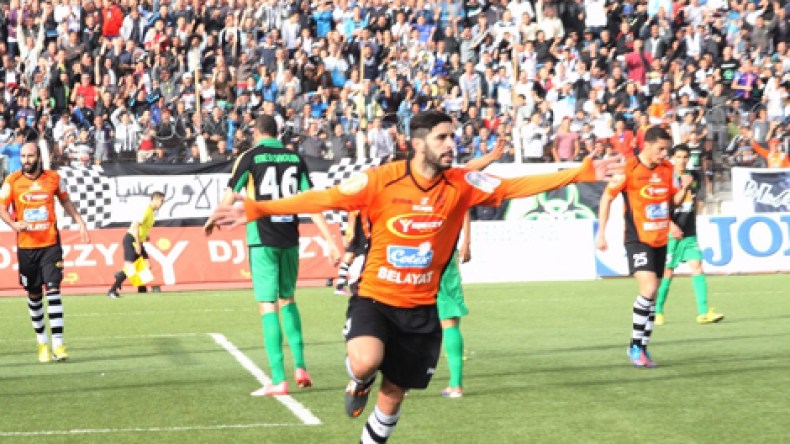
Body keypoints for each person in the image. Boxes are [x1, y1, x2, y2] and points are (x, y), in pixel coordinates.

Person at [209, 110, 615, 442]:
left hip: (421, 308)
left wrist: (579, 173)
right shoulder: (380, 180)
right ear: (418, 143)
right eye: (443, 138)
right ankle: (358, 380)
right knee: (366, 361)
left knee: (393, 395)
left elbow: (514, 186)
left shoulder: (461, 183)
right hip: (375, 298)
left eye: (453, 137)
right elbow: (324, 197)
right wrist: (256, 208)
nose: (452, 144)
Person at [204, 115, 341, 397]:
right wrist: (330, 242)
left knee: (268, 306)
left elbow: (230, 195)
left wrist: (213, 219)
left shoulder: (249, 157)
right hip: (289, 237)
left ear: (256, 132)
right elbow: (311, 202)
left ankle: (279, 379)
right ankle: (300, 366)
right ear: (277, 133)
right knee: (288, 299)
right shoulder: (295, 158)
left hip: (262, 237)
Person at [596, 126, 693, 369]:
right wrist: (601, 233)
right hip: (637, 239)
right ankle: (635, 346)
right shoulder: (628, 169)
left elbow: (671, 202)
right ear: (647, 145)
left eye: (667, 150)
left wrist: (684, 188)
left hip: (660, 240)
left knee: (653, 296)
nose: (664, 154)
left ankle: (643, 347)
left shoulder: (667, 169)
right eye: (661, 149)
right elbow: (607, 198)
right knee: (648, 289)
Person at [0, 142, 91, 363]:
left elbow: (66, 201)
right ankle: (42, 342)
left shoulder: (53, 178)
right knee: (34, 296)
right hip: (27, 247)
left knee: (53, 291)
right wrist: (13, 224)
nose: (26, 160)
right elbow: (1, 207)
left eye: (30, 156)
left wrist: (80, 223)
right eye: (23, 156)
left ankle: (58, 345)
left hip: (50, 244)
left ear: (39, 157)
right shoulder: (12, 181)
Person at [655, 145, 724, 326]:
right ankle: (658, 311)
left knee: (698, 267)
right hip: (670, 233)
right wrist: (670, 225)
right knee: (667, 272)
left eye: (685, 157)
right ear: (672, 158)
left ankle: (703, 312)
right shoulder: (666, 178)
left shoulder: (694, 176)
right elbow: (661, 205)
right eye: (679, 157)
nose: (682, 160)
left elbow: (696, 200)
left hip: (689, 233)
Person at [107, 191, 165, 298]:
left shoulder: (152, 213)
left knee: (147, 265)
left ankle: (137, 286)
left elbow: (143, 227)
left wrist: (145, 236)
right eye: (161, 201)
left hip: (138, 241)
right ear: (155, 199)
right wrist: (138, 244)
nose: (162, 204)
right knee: (129, 267)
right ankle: (112, 290)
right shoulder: (146, 210)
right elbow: (135, 226)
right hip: (132, 240)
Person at [334, 209, 370, 296]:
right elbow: (351, 215)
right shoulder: (354, 209)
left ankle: (340, 286)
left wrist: (344, 234)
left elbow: (342, 219)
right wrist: (350, 231)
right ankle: (354, 284)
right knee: (360, 255)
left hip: (353, 229)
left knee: (349, 256)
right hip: (358, 230)